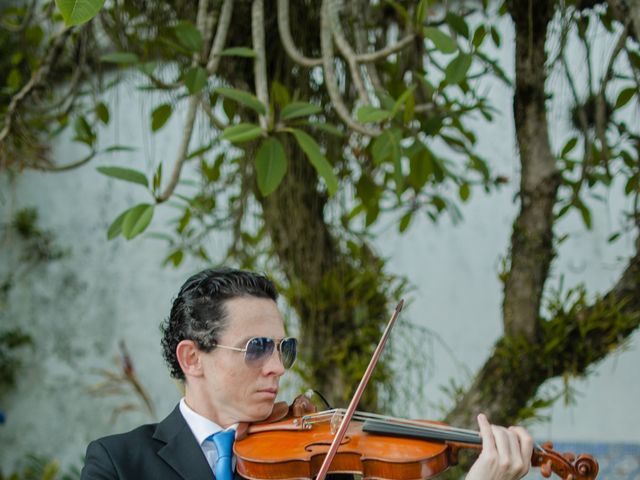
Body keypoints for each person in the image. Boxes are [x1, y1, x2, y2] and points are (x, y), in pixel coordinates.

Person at [81, 267, 533, 480]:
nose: (278, 367)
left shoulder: (312, 465)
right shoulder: (119, 463)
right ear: (192, 358)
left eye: (284, 348)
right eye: (258, 349)